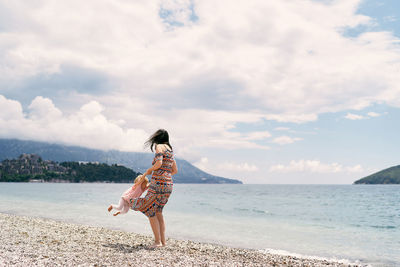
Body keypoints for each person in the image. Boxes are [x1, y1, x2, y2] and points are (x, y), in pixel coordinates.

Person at [130, 129, 178, 248]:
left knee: (149, 210)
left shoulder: (159, 147)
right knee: (158, 212)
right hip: (168, 185)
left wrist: (149, 171)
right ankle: (163, 242)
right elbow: (175, 171)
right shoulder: (170, 151)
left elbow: (159, 163)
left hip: (157, 185)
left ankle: (157, 242)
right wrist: (165, 176)